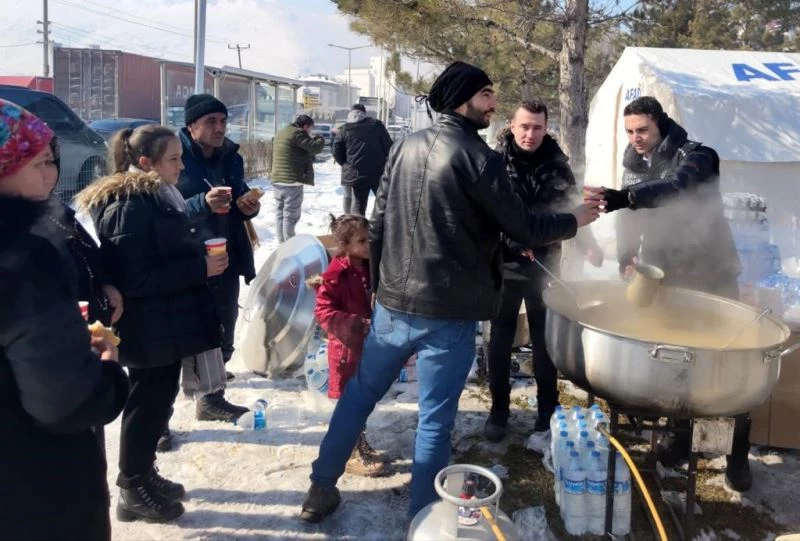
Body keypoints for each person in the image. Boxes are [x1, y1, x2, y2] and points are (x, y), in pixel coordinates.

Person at [300, 61, 601, 522]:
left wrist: (381, 291)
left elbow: (378, 228)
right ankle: (422, 518)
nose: (492, 105)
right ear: (462, 100)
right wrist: (574, 219)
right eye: (485, 96)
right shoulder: (480, 159)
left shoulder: (403, 147)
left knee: (361, 394)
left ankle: (321, 486)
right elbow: (522, 226)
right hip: (448, 312)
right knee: (435, 420)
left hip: (396, 305)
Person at [595, 96, 749, 491]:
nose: (636, 138)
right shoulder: (633, 161)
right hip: (667, 273)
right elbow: (629, 217)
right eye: (629, 132)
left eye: (642, 130)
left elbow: (677, 187)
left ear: (660, 124)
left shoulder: (698, 155)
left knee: (726, 364)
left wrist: (627, 196)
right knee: (679, 357)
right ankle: (681, 438)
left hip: (712, 272)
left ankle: (737, 455)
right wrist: (628, 257)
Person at [76, 125, 227, 522]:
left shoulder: (156, 195)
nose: (181, 165)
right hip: (148, 326)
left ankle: (142, 473)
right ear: (146, 163)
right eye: (173, 159)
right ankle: (132, 488)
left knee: (158, 399)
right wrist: (200, 266)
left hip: (165, 322)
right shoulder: (131, 204)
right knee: (146, 403)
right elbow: (136, 278)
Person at [0, 99, 129, 540]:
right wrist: (107, 373)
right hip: (35, 493)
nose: (50, 175)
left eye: (52, 160)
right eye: (36, 162)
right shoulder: (21, 258)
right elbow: (62, 402)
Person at [485, 101, 604, 449]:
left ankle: (546, 410)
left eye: (537, 127)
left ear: (546, 128)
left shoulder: (558, 165)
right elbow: (486, 215)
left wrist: (590, 244)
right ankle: (499, 410)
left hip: (545, 263)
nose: (530, 134)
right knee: (500, 339)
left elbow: (572, 211)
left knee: (545, 340)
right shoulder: (494, 164)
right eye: (524, 126)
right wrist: (511, 240)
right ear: (512, 124)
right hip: (504, 263)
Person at [177, 94, 257, 421]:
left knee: (225, 326)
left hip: (225, 253)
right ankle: (157, 422)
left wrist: (249, 205)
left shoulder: (230, 157)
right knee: (180, 340)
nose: (219, 128)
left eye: (223, 121)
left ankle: (212, 398)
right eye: (211, 121)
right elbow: (160, 209)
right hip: (187, 259)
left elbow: (239, 196)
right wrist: (201, 203)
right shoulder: (174, 156)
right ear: (191, 126)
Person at [312, 214, 386, 478]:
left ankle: (360, 443)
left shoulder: (368, 268)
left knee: (361, 399)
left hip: (364, 347)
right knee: (349, 403)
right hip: (345, 350)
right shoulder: (336, 274)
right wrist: (355, 325)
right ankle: (353, 452)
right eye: (361, 241)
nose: (368, 245)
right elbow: (323, 311)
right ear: (344, 244)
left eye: (369, 239)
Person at [270, 114, 326, 241]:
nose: (310, 132)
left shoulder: (282, 132)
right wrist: (319, 138)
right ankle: (289, 243)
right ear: (305, 126)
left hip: (277, 178)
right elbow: (315, 148)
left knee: (280, 213)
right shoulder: (298, 134)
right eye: (310, 128)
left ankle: (282, 242)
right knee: (290, 215)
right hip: (291, 181)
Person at [332, 104, 393, 216]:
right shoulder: (376, 125)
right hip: (378, 172)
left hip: (356, 174)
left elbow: (336, 151)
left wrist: (346, 164)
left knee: (358, 207)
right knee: (384, 203)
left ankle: (358, 230)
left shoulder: (344, 129)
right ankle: (386, 230)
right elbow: (389, 147)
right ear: (364, 113)